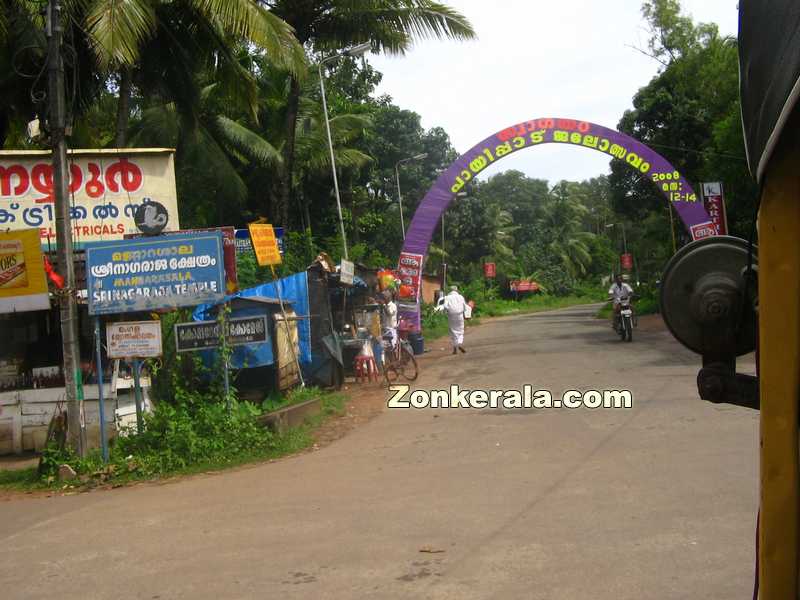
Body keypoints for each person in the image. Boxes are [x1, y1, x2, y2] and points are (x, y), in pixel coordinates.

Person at [436, 285, 467, 354]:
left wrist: (444, 311)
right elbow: (464, 306)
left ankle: (455, 348)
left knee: (453, 331)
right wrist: (465, 314)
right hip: (460, 315)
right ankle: (459, 343)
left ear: (450, 290)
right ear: (456, 290)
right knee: (460, 330)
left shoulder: (447, 297)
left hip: (451, 316)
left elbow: (445, 306)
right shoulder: (461, 297)